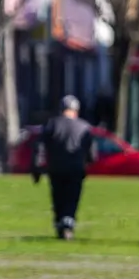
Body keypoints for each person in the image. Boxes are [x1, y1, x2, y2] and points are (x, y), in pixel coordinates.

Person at [32, 95, 94, 241]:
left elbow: (39, 147)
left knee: (58, 197)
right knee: (72, 198)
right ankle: (68, 223)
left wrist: (37, 167)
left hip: (56, 168)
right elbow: (91, 152)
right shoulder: (84, 127)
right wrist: (88, 162)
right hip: (76, 169)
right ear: (76, 110)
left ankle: (60, 223)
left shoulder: (52, 125)